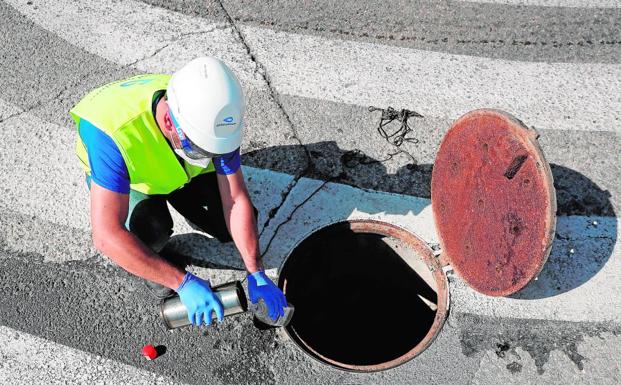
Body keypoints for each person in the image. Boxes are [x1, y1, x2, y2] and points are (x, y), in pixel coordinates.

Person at [69, 56, 287, 326]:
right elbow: (106, 236)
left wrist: (256, 272)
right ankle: (155, 269)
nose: (210, 156)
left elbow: (235, 198)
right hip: (135, 182)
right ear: (170, 123)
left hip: (180, 171)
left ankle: (187, 202)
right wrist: (182, 283)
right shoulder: (110, 134)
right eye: (201, 148)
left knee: (228, 222)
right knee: (149, 229)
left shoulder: (212, 116)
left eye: (214, 151)